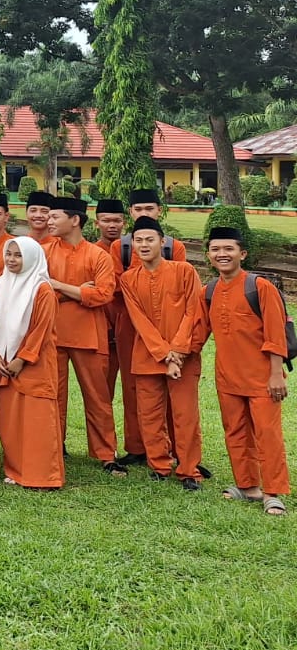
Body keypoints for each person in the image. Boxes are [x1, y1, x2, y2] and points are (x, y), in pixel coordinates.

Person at [204, 226, 289, 516]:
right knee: (235, 432)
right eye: (216, 249)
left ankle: (273, 492)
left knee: (268, 435)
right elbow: (197, 330)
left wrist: (276, 374)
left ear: (242, 253)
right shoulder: (211, 290)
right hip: (227, 377)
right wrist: (175, 354)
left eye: (229, 249)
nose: (222, 254)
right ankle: (248, 486)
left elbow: (276, 334)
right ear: (209, 255)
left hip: (262, 378)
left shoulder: (260, 287)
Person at [117, 217, 207, 489]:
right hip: (147, 356)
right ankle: (159, 465)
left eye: (150, 239)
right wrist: (165, 354)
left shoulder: (184, 271)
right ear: (132, 244)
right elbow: (139, 320)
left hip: (184, 357)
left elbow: (193, 312)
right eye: (139, 240)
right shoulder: (129, 279)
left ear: (163, 242)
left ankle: (189, 470)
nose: (144, 245)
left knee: (185, 415)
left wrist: (178, 351)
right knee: (150, 415)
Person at [43, 196, 123, 473]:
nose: (48, 221)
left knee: (98, 397)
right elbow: (40, 292)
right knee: (54, 395)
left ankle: (106, 453)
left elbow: (103, 294)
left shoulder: (98, 255)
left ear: (74, 220)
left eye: (55, 217)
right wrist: (76, 291)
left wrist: (59, 286)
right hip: (53, 334)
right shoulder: (44, 251)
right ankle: (54, 445)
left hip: (89, 335)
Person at [106, 190, 172, 468]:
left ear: (159, 210)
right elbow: (117, 287)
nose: (143, 213)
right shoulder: (120, 248)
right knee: (132, 388)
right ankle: (136, 446)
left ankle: (171, 447)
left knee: (169, 391)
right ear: (130, 213)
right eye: (137, 209)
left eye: (149, 208)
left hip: (165, 325)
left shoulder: (172, 246)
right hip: (128, 326)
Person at [0, 237, 64, 490]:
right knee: (10, 420)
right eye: (9, 254)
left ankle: (42, 476)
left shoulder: (42, 289)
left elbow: (41, 330)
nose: (11, 260)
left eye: (18, 255)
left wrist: (22, 359)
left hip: (34, 364)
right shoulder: (1, 285)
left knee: (37, 421)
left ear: (32, 258)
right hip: (4, 363)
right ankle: (17, 470)